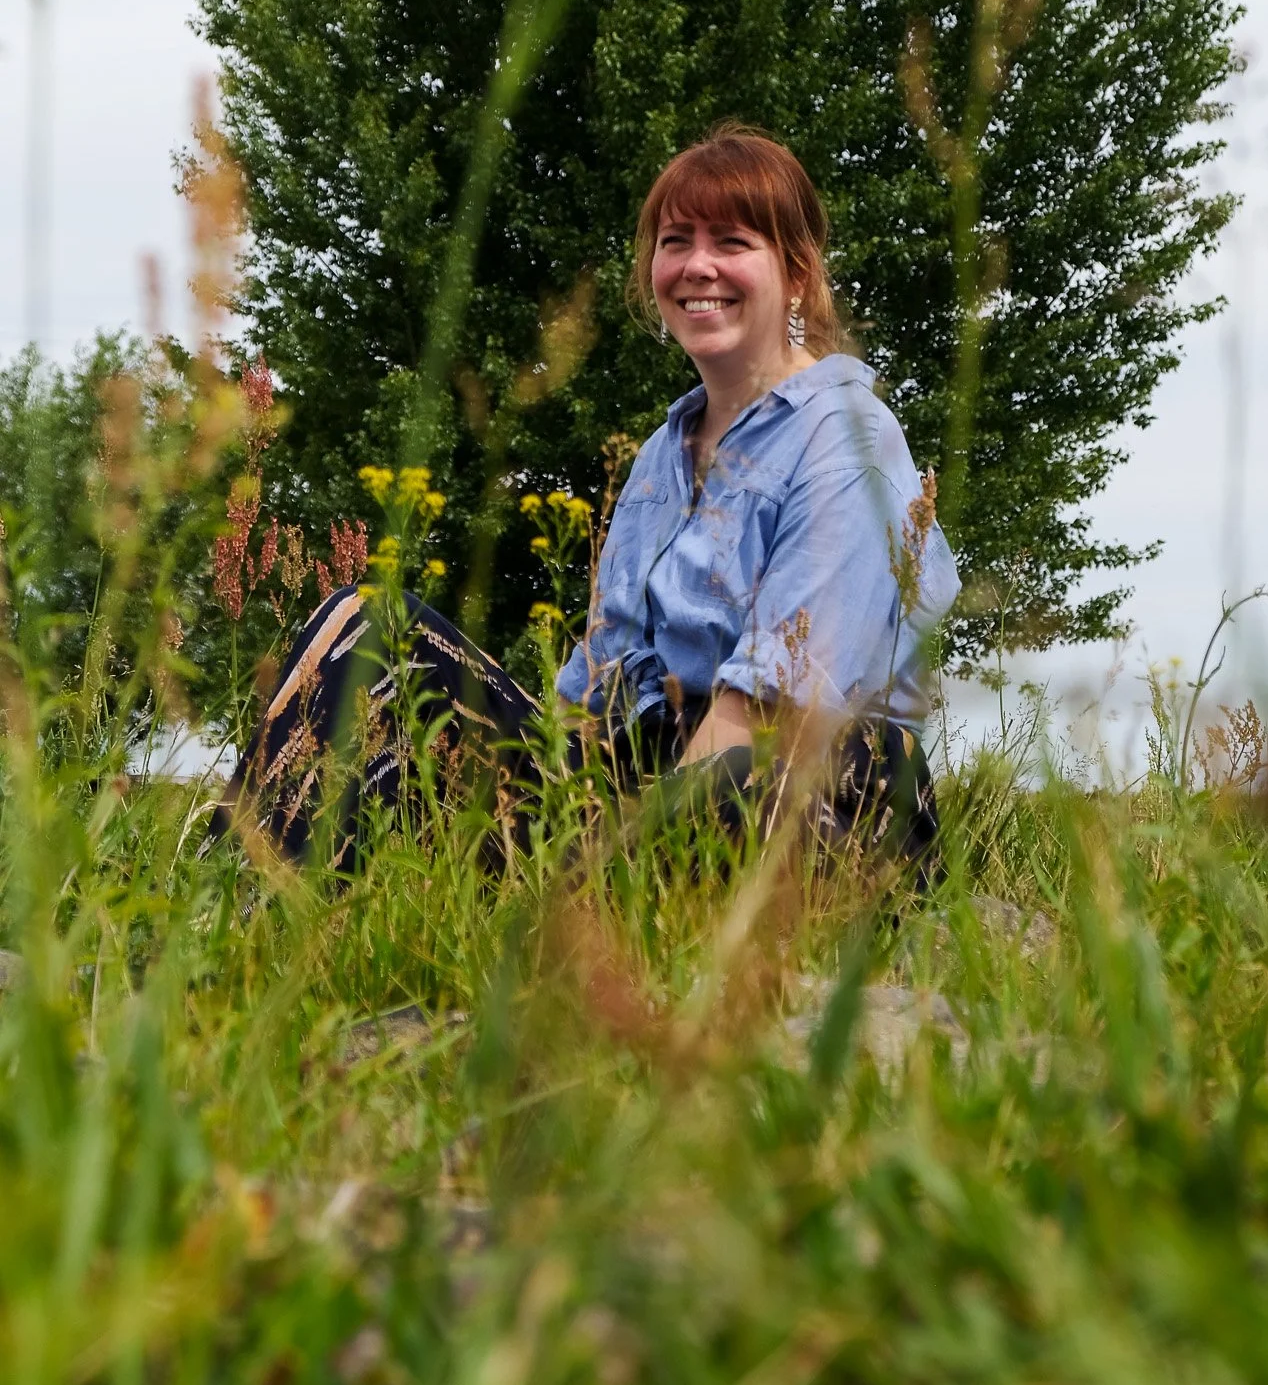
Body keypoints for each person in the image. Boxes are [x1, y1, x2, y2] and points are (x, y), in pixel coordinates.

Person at [220, 125, 960, 874]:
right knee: (369, 628)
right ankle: (243, 907)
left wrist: (594, 862)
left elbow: (771, 713)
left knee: (729, 779)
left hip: (808, 793)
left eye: (732, 241)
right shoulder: (657, 459)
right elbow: (588, 704)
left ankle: (585, 911)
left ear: (796, 272)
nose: (697, 265)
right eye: (675, 241)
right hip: (642, 782)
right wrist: (516, 797)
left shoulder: (845, 436)